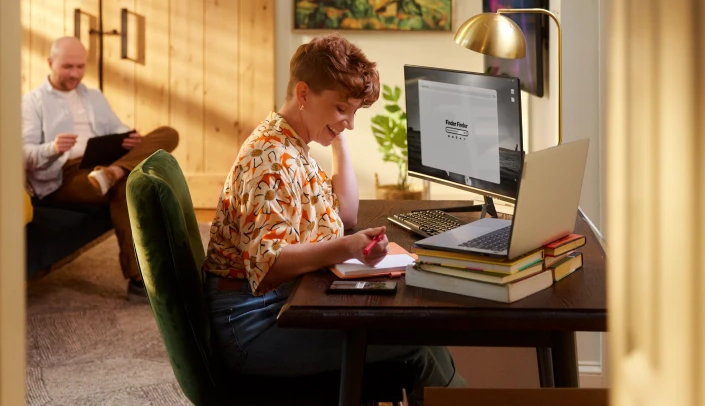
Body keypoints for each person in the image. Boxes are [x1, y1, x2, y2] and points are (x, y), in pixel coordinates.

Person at [202, 34, 464, 404]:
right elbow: (269, 264)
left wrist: (337, 134)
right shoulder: (272, 159)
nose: (351, 123)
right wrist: (349, 247)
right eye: (342, 108)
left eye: (354, 112)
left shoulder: (294, 143)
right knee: (414, 346)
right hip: (251, 325)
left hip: (280, 305)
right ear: (304, 94)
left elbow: (346, 212)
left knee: (408, 334)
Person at [22, 36, 179, 301]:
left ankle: (115, 171)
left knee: (168, 133)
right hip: (62, 175)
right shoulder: (32, 102)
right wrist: (53, 148)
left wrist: (128, 138)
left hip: (102, 165)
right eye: (67, 67)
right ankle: (140, 280)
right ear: (50, 63)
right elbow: (23, 153)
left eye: (80, 67)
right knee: (127, 186)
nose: (75, 74)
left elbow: (114, 130)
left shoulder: (92, 96)